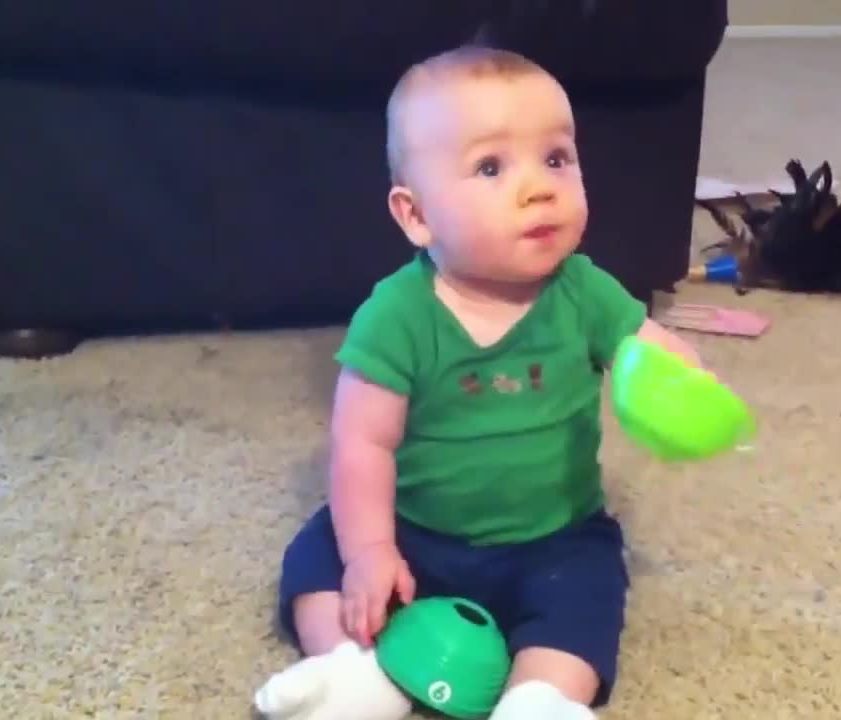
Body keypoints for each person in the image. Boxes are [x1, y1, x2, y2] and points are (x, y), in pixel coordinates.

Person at [253, 44, 710, 720]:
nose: (539, 186)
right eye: (491, 166)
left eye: (557, 158)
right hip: (417, 529)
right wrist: (373, 551)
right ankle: (351, 673)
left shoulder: (586, 292)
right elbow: (361, 446)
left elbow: (655, 351)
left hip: (554, 535)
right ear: (416, 215)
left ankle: (540, 699)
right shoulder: (397, 317)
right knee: (322, 561)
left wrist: (682, 384)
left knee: (587, 594)